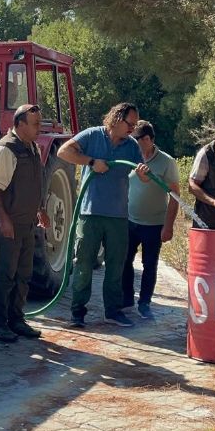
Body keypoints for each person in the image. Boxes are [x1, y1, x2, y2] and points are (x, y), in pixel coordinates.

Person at [58, 103, 147, 328]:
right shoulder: (92, 135)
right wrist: (91, 161)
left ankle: (113, 311)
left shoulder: (132, 146)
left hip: (118, 216)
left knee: (116, 265)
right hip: (90, 214)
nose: (132, 129)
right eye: (130, 124)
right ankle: (77, 313)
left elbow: (144, 176)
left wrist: (144, 173)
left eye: (135, 125)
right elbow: (63, 151)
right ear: (117, 118)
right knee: (84, 264)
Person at [0, 103, 51, 342]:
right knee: (5, 275)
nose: (39, 129)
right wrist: (4, 220)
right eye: (35, 124)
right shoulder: (6, 149)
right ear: (20, 124)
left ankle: (16, 319)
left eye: (39, 123)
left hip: (26, 224)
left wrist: (40, 209)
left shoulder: (30, 147)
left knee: (24, 274)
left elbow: (32, 184)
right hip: (8, 223)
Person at [121, 120, 180, 320]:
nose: (136, 143)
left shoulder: (166, 162)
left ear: (149, 139)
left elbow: (175, 196)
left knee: (150, 264)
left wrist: (168, 226)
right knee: (124, 260)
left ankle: (144, 303)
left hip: (154, 224)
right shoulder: (130, 157)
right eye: (134, 139)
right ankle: (127, 298)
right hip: (129, 221)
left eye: (139, 139)